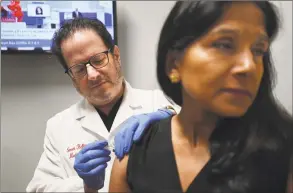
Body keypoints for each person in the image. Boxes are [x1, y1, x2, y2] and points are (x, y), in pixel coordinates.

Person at [110, 1, 293, 193]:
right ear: (174, 63)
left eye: (258, 50)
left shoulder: (282, 153)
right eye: (225, 44)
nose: (249, 66)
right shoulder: (133, 158)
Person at [26, 18, 179, 193]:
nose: (92, 75)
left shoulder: (159, 102)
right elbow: (38, 188)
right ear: (71, 77)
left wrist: (170, 119)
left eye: (98, 60)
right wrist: (85, 186)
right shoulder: (58, 126)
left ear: (116, 56)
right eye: (79, 69)